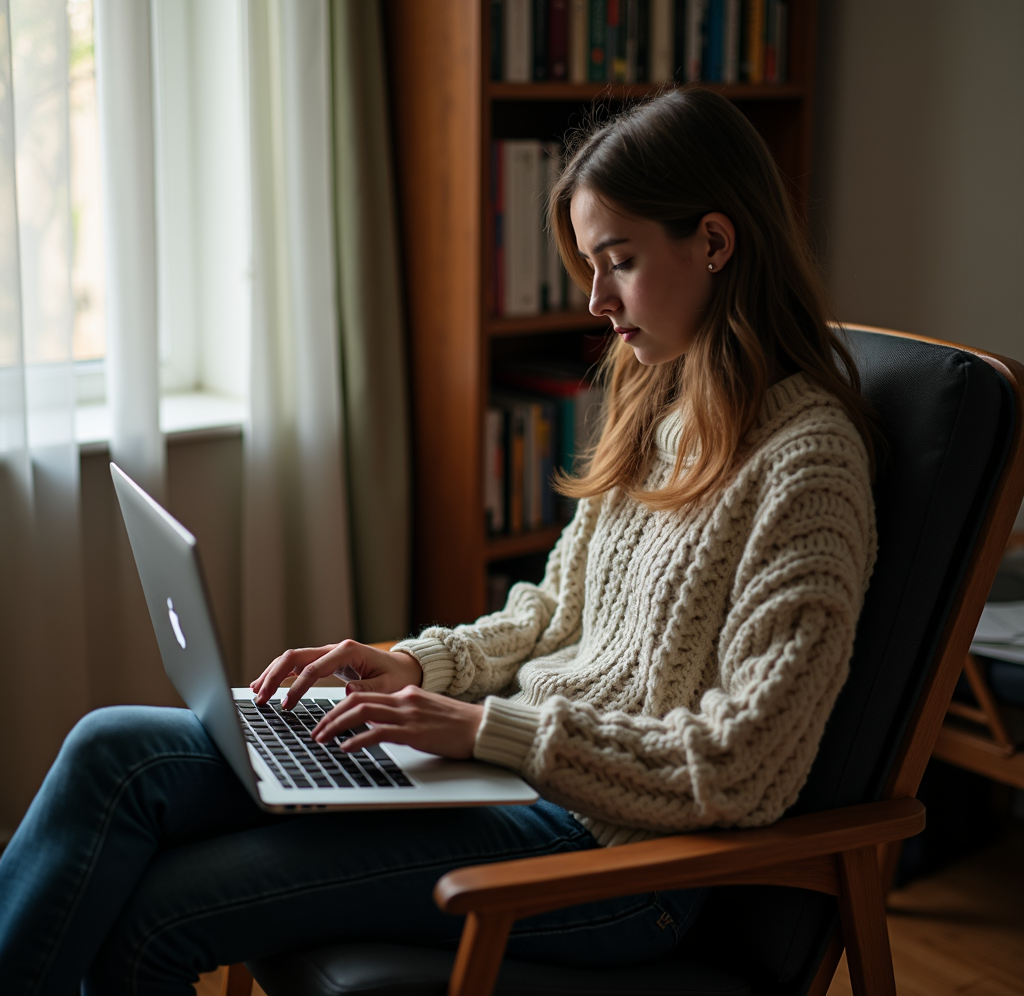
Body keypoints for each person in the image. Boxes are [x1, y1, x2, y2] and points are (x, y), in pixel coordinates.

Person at [0, 87, 877, 995]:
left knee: (157, 917)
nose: (595, 298)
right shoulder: (663, 399)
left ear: (716, 242)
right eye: (589, 263)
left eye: (618, 260)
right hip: (514, 776)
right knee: (113, 751)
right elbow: (550, 612)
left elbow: (745, 768)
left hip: (615, 859)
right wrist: (421, 669)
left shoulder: (809, 469)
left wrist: (485, 731)